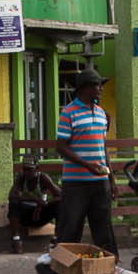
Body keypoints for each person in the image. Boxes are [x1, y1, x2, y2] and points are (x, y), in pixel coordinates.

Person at [53, 69, 117, 254]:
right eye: (97, 85)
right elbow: (61, 147)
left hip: (100, 181)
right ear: (85, 88)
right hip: (75, 183)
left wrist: (111, 179)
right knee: (71, 225)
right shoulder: (68, 113)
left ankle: (109, 262)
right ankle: (65, 262)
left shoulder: (102, 113)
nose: (100, 89)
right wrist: (88, 166)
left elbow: (103, 147)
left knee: (104, 226)